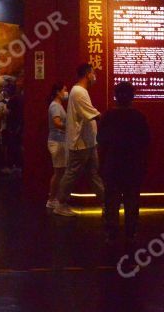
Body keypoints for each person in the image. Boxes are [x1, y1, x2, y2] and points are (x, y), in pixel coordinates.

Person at [98, 81, 151, 244]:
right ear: (132, 97)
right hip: (133, 164)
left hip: (113, 163)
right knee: (132, 199)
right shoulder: (139, 117)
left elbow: (100, 140)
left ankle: (111, 232)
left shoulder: (108, 116)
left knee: (112, 200)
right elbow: (146, 141)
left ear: (115, 97)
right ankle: (131, 231)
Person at [54, 63, 105, 216]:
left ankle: (106, 202)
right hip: (80, 143)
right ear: (88, 74)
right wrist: (109, 120)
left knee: (93, 174)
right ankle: (60, 203)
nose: (94, 76)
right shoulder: (79, 92)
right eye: (93, 73)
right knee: (71, 174)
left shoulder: (80, 91)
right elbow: (92, 113)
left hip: (88, 142)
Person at [46, 82, 69, 209]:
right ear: (58, 92)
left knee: (60, 172)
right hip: (57, 141)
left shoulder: (58, 105)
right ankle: (52, 199)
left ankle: (54, 198)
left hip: (59, 141)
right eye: (65, 90)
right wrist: (70, 127)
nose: (66, 93)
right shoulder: (55, 106)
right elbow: (57, 123)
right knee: (59, 172)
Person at [2, 81, 23, 174]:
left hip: (12, 126)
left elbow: (7, 112)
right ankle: (17, 166)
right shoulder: (19, 99)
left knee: (11, 146)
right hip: (18, 126)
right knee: (17, 146)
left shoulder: (12, 100)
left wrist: (3, 110)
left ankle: (11, 166)